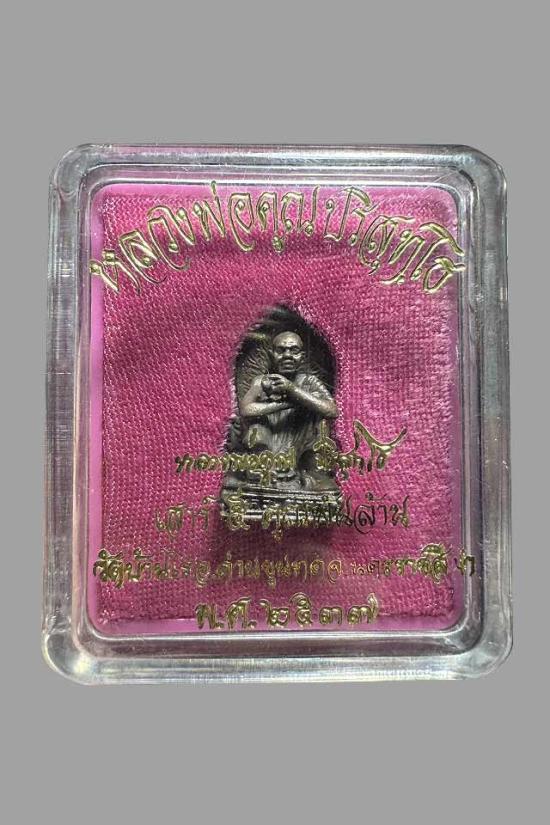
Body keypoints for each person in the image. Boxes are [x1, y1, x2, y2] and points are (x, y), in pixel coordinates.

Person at [237, 331, 338, 491]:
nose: (287, 356)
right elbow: (246, 409)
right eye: (281, 350)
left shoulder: (310, 381)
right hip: (270, 439)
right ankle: (266, 472)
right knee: (256, 430)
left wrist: (292, 389)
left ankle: (312, 472)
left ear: (302, 357)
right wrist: (285, 404)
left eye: (294, 350)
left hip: (300, 440)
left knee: (319, 422)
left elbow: (331, 410)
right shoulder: (262, 382)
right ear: (272, 355)